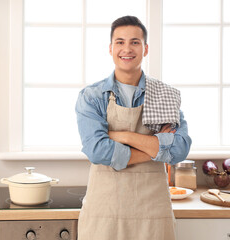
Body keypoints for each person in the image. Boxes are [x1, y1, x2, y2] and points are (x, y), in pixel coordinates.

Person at [75, 16, 192, 240]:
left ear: (145, 48)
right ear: (110, 48)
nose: (126, 49)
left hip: (153, 212)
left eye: (134, 42)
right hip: (104, 212)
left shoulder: (164, 95)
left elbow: (179, 150)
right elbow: (98, 151)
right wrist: (156, 149)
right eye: (120, 42)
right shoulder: (92, 96)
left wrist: (124, 136)